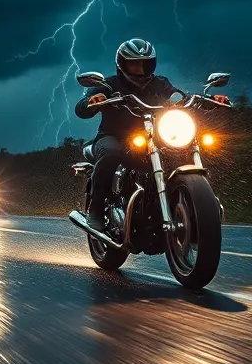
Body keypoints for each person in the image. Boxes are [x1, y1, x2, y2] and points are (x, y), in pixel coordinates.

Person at [74, 38, 229, 231]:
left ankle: (193, 208)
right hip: (114, 136)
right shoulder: (109, 84)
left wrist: (208, 99)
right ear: (122, 64)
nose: (140, 69)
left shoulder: (160, 84)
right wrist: (93, 100)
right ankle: (95, 211)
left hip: (155, 137)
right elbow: (81, 108)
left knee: (181, 151)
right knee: (111, 153)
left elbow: (178, 97)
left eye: (145, 64)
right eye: (134, 64)